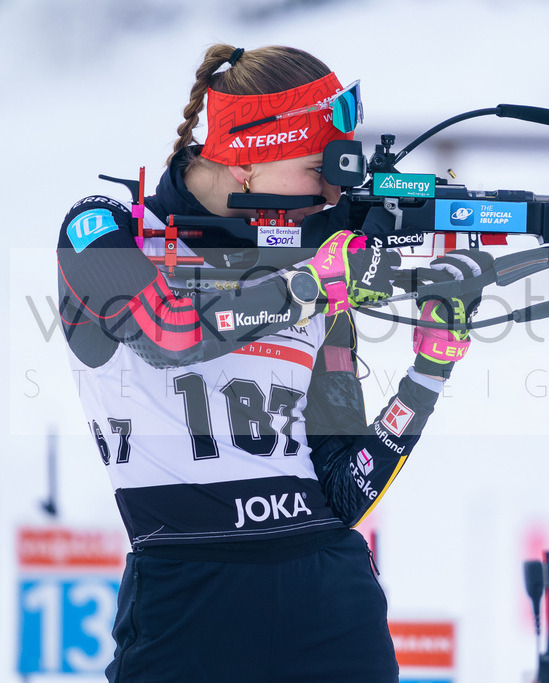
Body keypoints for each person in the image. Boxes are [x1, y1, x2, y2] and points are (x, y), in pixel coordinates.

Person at [56, 44, 489, 682]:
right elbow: (169, 334)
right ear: (250, 162)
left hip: (331, 598)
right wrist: (310, 285)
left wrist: (428, 371)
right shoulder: (103, 229)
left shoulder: (309, 260)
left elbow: (344, 492)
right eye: (318, 166)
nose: (332, 191)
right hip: (187, 597)